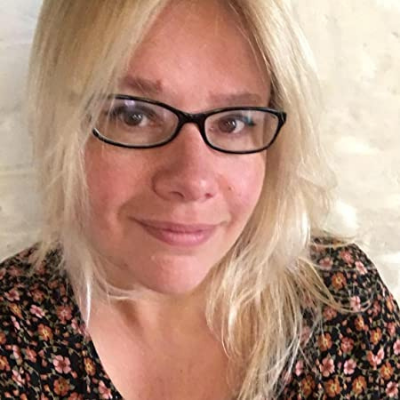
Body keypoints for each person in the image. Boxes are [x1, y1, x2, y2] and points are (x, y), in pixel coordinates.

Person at [0, 0, 399, 398]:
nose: (193, 181)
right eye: (133, 115)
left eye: (234, 121)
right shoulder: (13, 332)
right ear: (63, 124)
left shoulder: (344, 306)